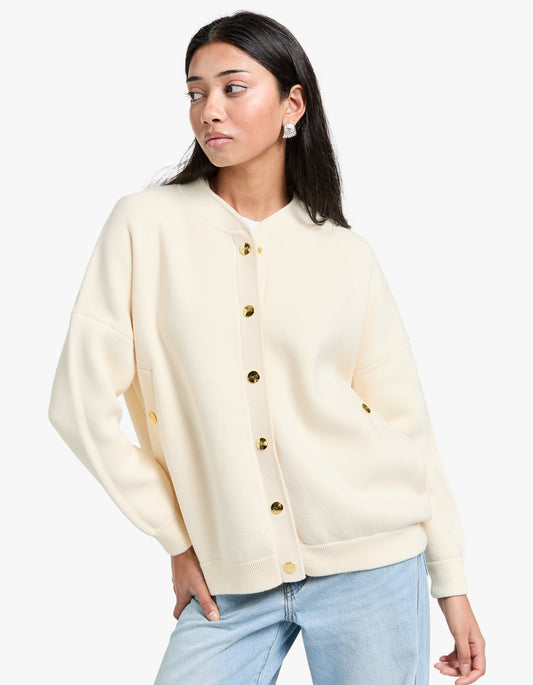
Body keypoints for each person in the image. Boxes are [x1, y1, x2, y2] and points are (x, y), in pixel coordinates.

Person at [48, 9, 486, 685]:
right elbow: (78, 406)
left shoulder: (346, 254)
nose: (209, 110)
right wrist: (176, 538)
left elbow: (407, 425)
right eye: (195, 92)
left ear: (292, 105)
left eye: (233, 88)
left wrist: (450, 582)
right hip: (228, 576)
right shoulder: (144, 225)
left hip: (373, 563)